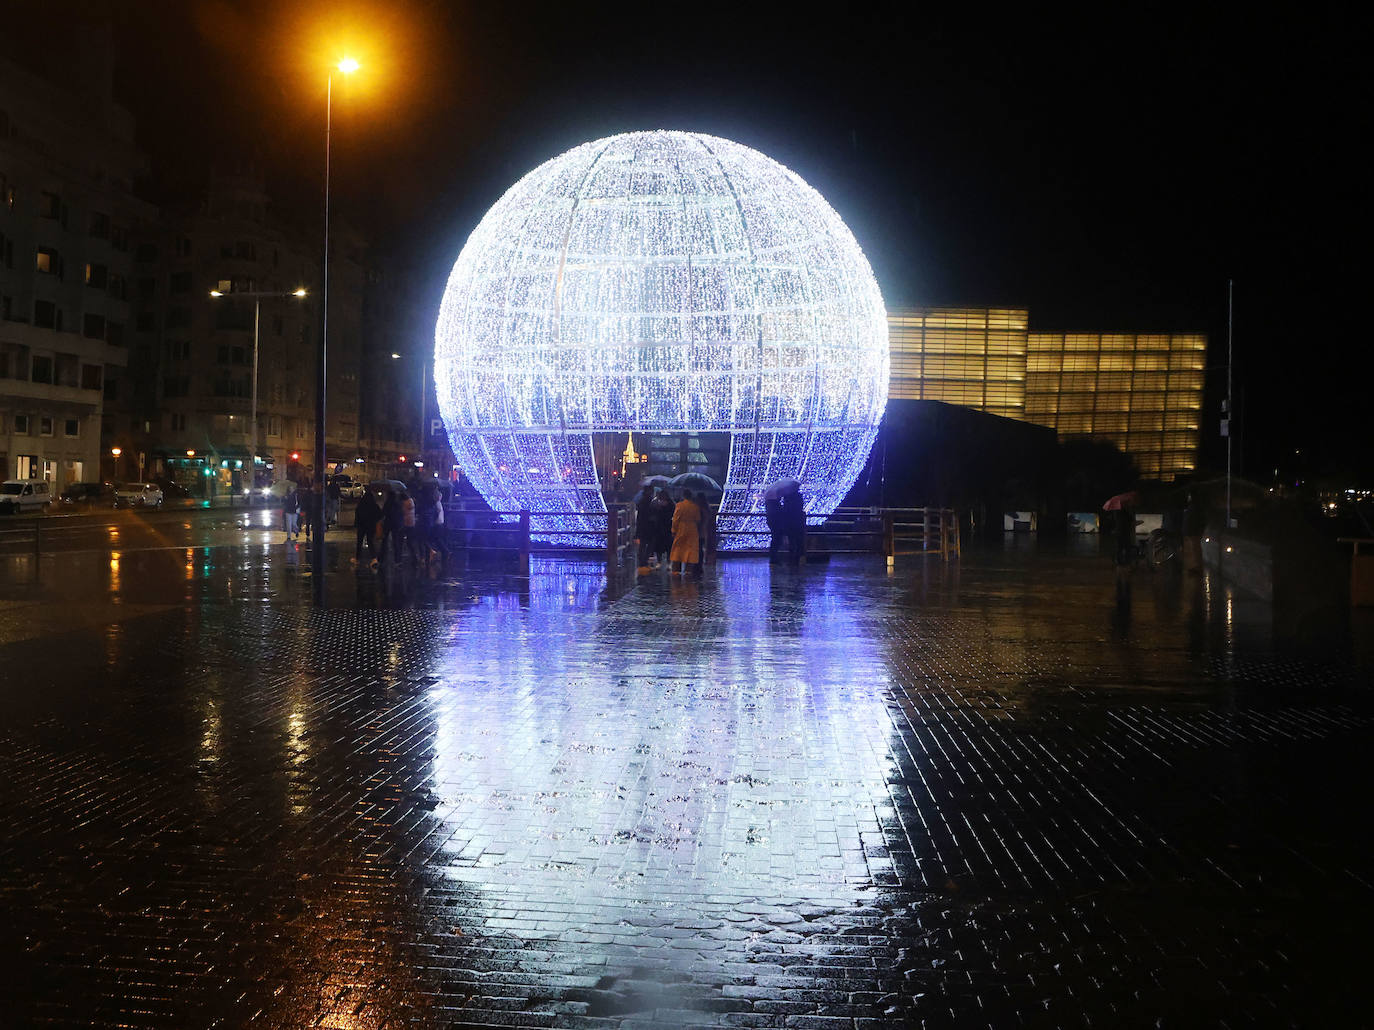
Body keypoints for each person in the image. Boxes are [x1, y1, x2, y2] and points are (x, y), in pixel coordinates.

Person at [670, 489, 702, 575]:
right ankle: (688, 569)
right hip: (692, 529)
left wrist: (673, 530)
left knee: (678, 548)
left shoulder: (679, 505)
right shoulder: (695, 507)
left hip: (681, 528)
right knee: (690, 549)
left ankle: (676, 569)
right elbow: (698, 519)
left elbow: (676, 519)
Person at [353, 486, 382, 567]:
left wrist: (356, 524)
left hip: (362, 526)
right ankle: (374, 558)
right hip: (371, 526)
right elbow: (380, 514)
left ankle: (357, 559)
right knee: (370, 542)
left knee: (359, 542)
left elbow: (357, 513)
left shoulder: (361, 504)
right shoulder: (374, 505)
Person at [780, 489, 806, 567]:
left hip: (790, 523)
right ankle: (799, 559)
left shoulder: (787, 497)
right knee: (799, 542)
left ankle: (791, 559)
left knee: (792, 542)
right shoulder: (799, 497)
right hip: (798, 522)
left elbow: (785, 509)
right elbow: (800, 507)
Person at [651, 488, 674, 567]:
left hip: (665, 527)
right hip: (662, 527)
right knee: (660, 546)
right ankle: (662, 561)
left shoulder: (668, 504)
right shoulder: (657, 504)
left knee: (667, 546)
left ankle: (666, 562)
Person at [636, 486, 657, 572]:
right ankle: (644, 559)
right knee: (649, 544)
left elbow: (640, 515)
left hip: (642, 525)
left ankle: (642, 560)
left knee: (643, 544)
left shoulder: (641, 501)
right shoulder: (651, 502)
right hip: (649, 525)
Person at [380, 488, 403, 564]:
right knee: (395, 541)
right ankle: (397, 559)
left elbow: (384, 512)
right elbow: (400, 513)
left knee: (384, 540)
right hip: (395, 524)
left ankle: (381, 557)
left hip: (388, 523)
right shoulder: (398, 503)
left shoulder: (388, 502)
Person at [765, 494, 785, 562]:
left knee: (775, 539)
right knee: (776, 539)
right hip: (776, 523)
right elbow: (778, 513)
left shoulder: (769, 503)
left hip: (772, 523)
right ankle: (774, 557)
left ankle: (774, 556)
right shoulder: (774, 505)